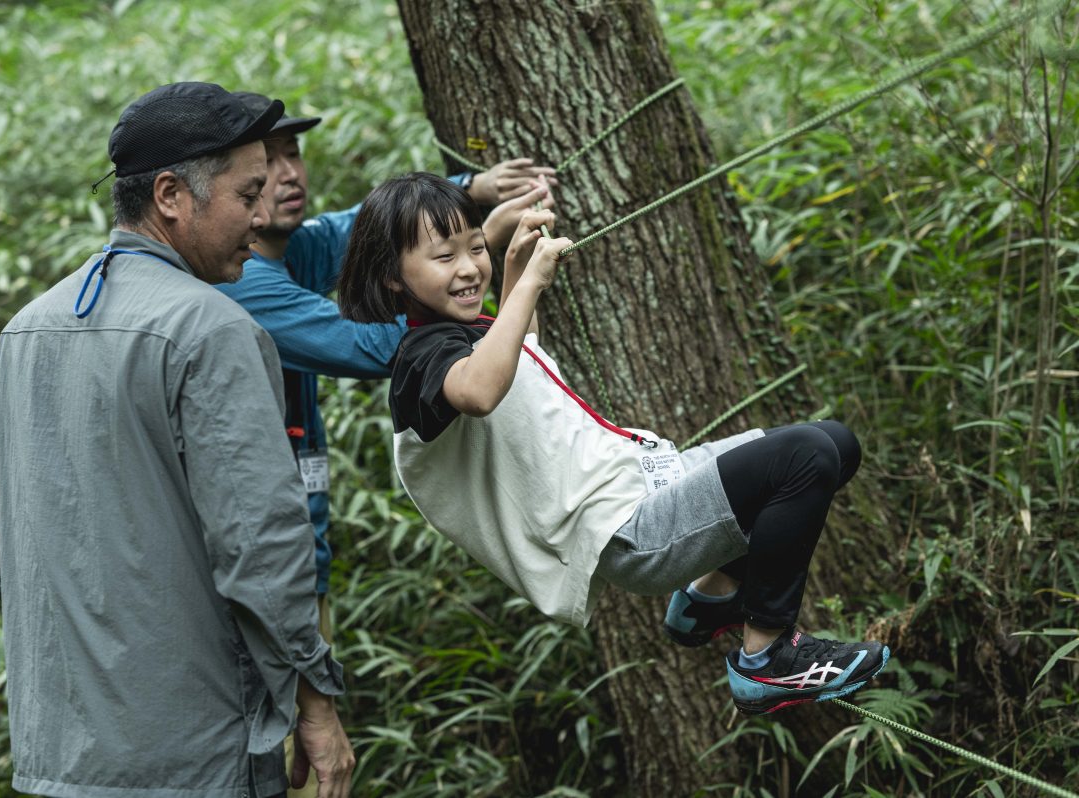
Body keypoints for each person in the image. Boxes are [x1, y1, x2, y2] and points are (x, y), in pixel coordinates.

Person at [335, 172, 890, 715]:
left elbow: (519, 356)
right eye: (443, 257)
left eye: (475, 247)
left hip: (648, 481)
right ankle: (765, 658)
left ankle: (708, 599)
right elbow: (481, 390)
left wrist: (512, 268)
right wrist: (529, 283)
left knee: (835, 445)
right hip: (624, 527)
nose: (466, 267)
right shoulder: (420, 357)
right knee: (803, 458)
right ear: (391, 277)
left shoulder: (468, 335)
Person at [0, 82, 354, 798]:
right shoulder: (214, 329)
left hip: (57, 752)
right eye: (246, 196)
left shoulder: (27, 328)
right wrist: (316, 706)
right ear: (172, 195)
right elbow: (261, 549)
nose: (261, 216)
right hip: (195, 754)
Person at [215, 92, 556, 796]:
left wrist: (465, 198)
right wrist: (480, 269)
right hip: (254, 570)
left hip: (301, 559)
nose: (285, 175)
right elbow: (380, 344)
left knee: (309, 769)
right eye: (261, 167)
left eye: (292, 155)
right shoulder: (246, 282)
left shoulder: (293, 248)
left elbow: (359, 233)